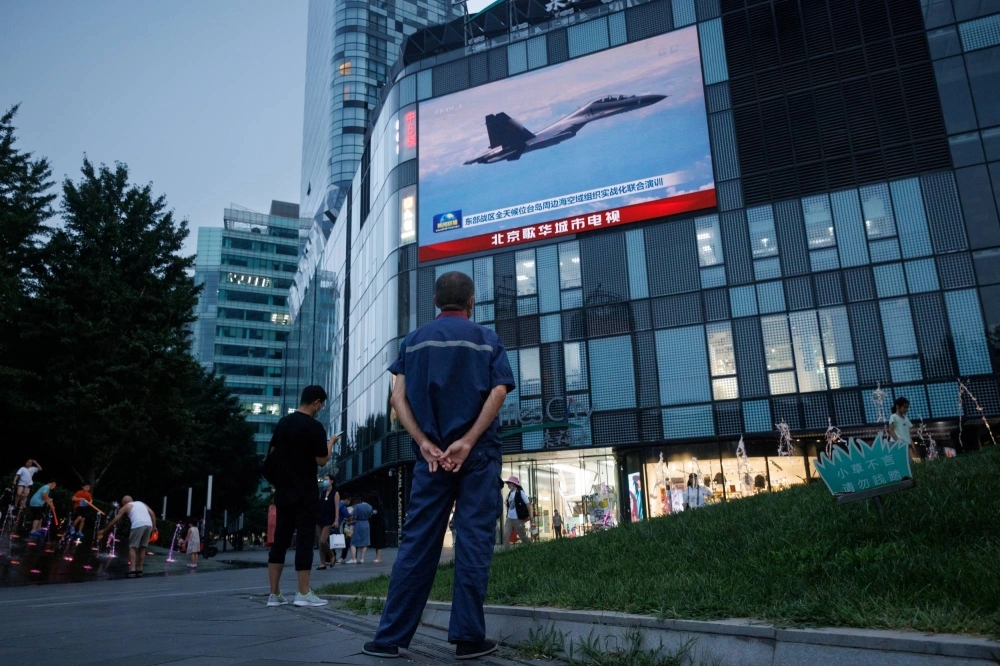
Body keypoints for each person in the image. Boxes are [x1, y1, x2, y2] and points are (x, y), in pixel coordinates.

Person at [364, 271, 514, 661]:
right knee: (473, 541)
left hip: (430, 461)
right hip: (477, 457)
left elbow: (397, 398)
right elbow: (498, 391)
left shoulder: (412, 343)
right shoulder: (487, 339)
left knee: (417, 543)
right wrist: (466, 442)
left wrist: (426, 443)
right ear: (471, 302)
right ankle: (467, 638)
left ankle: (388, 638)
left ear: (435, 302)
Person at [265, 385, 339, 608]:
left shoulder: (284, 423)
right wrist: (331, 444)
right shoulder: (315, 427)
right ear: (316, 402)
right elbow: (322, 460)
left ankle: (274, 594)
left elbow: (272, 454)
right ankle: (303, 593)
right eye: (322, 404)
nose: (321, 408)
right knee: (305, 538)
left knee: (280, 539)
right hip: (305, 491)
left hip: (283, 490)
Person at [99, 496, 156, 577]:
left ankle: (132, 570)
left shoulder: (127, 506)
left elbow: (114, 521)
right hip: (149, 525)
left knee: (132, 547)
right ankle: (140, 570)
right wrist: (154, 527)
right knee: (142, 547)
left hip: (138, 525)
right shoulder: (141, 503)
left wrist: (104, 530)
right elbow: (152, 513)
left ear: (124, 502)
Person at [316, 474, 339, 570]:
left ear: (331, 481)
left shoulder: (335, 493)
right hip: (319, 519)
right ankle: (322, 563)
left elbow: (336, 506)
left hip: (329, 520)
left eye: (326, 479)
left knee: (323, 540)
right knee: (320, 543)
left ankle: (331, 555)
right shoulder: (322, 492)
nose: (324, 481)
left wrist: (336, 519)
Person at [502, 476, 531, 545]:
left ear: (513, 484)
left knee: (522, 536)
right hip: (509, 518)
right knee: (505, 535)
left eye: (509, 483)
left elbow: (527, 504)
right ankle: (506, 552)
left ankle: (530, 547)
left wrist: (530, 515)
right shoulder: (510, 493)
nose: (508, 485)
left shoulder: (520, 492)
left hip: (517, 518)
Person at [347, 496, 373, 564]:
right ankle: (362, 558)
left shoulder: (358, 506)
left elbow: (354, 515)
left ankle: (354, 558)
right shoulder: (370, 507)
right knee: (365, 542)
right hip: (366, 523)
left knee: (353, 542)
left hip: (358, 524)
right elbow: (370, 515)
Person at [366, 491, 387, 564]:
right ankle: (377, 557)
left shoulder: (379, 506)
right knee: (376, 542)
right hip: (375, 525)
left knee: (379, 541)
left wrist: (372, 516)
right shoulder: (373, 506)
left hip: (379, 525)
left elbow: (379, 515)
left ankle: (378, 557)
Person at [338, 497, 353, 563]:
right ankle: (342, 557)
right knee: (346, 542)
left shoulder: (337, 504)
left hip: (332, 524)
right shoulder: (343, 507)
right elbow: (347, 515)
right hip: (340, 525)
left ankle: (330, 558)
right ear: (346, 499)